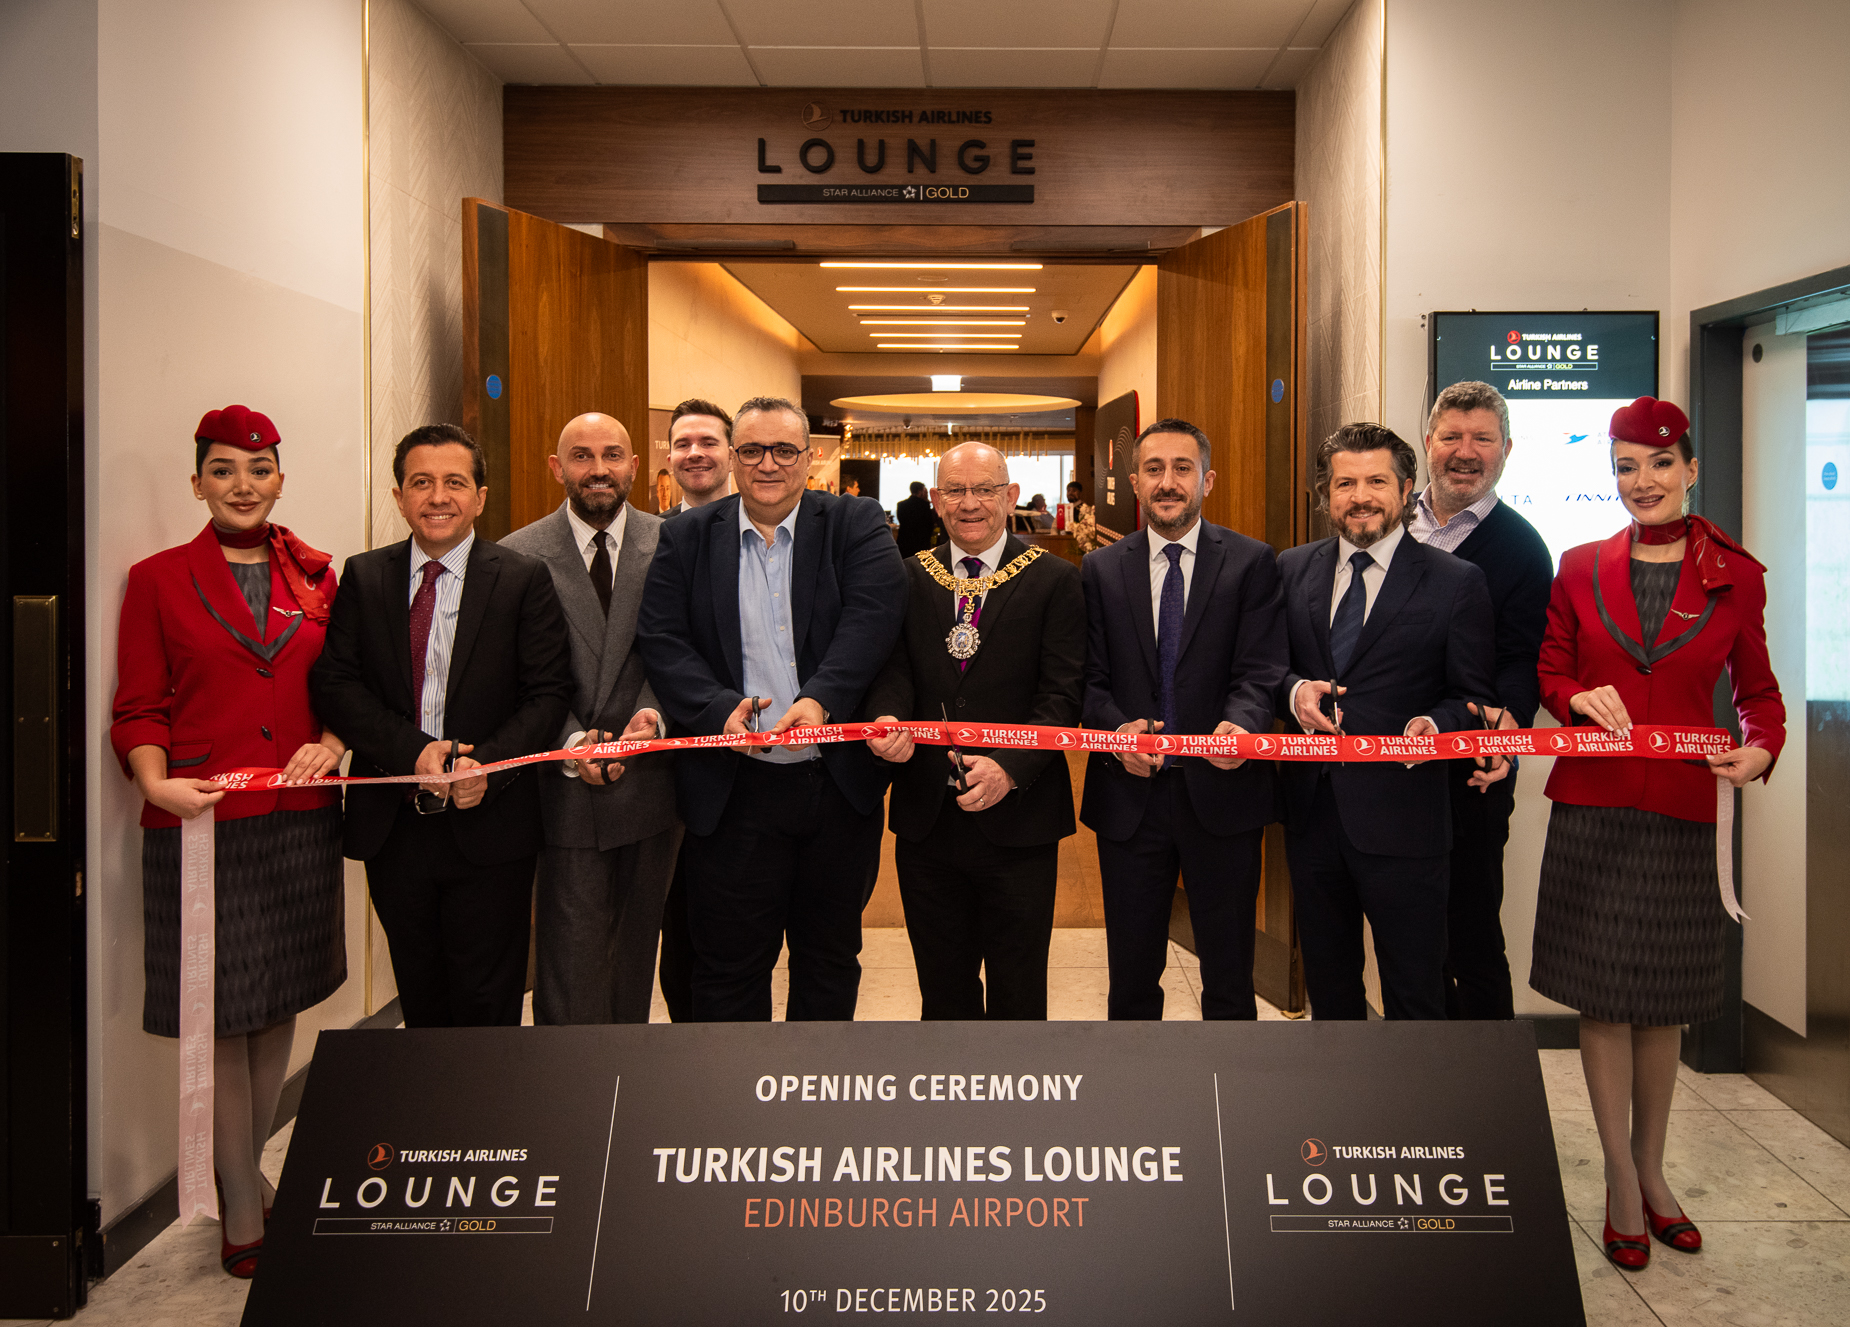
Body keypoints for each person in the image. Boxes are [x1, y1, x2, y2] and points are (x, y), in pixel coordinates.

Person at [1528, 396, 1783, 1270]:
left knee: (1663, 1000)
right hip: (1594, 807)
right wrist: (1573, 697)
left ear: (1691, 469)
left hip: (1683, 810)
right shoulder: (1579, 566)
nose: (1643, 481)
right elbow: (1551, 668)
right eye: (1626, 467)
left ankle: (1652, 1166)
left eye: (1660, 464)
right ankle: (1618, 1178)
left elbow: (1760, 693)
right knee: (1603, 996)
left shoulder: (1736, 576)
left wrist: (1761, 749)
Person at [111, 404, 347, 1277]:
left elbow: (344, 686)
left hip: (299, 818)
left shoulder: (318, 576)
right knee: (219, 1016)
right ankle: (242, 1203)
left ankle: (244, 1168)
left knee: (278, 1000)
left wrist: (334, 740)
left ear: (280, 478)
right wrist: (153, 781)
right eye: (222, 469)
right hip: (202, 822)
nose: (241, 485)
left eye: (257, 469)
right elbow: (139, 705)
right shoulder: (158, 579)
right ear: (196, 482)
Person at [637, 396, 906, 1021]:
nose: (768, 464)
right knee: (728, 969)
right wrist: (717, 708)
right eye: (753, 450)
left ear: (809, 459)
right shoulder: (685, 537)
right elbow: (662, 638)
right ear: (733, 458)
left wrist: (821, 699)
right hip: (733, 791)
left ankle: (813, 1086)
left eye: (785, 450)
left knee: (829, 960)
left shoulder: (854, 523)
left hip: (835, 787)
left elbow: (875, 616)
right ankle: (736, 1089)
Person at [310, 424, 573, 1029]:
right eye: (420, 483)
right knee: (421, 997)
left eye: (454, 482)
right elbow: (337, 684)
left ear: (480, 498)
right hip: (394, 827)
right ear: (399, 497)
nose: (437, 497)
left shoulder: (522, 578)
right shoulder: (365, 577)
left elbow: (547, 694)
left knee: (488, 1004)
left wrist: (487, 767)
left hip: (491, 826)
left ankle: (488, 1098)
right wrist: (416, 752)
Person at [1276, 423, 1498, 1021]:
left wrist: (1435, 723)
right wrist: (1293, 691)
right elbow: (1266, 669)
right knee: (1330, 990)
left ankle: (1415, 1089)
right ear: (1326, 495)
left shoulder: (1456, 582)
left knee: (1415, 993)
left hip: (1407, 821)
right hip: (1313, 817)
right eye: (1345, 483)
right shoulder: (1290, 569)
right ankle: (1342, 1085)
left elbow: (1474, 697)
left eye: (1376, 481)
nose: (1360, 497)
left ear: (1405, 490)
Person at [864, 442, 1084, 1019]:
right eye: (956, 491)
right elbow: (892, 672)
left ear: (1010, 496)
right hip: (927, 819)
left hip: (1021, 819)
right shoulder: (909, 577)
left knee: (1019, 992)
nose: (969, 503)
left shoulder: (1056, 580)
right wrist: (889, 718)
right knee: (943, 992)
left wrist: (1009, 768)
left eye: (984, 489)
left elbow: (1062, 695)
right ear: (936, 501)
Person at [1079, 419, 1288, 1019]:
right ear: (1134, 482)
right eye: (1154, 469)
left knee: (1229, 974)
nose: (1167, 482)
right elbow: (1087, 680)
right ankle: (1139, 1077)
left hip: (1223, 792)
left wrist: (1241, 724)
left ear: (1207, 480)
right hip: (1129, 796)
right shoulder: (1100, 569)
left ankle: (1229, 1078)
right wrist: (1116, 731)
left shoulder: (1251, 562)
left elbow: (1262, 669)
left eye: (1182, 468)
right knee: (1131, 976)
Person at [500, 413, 679, 1024]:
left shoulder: (673, 543)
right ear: (557, 468)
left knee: (634, 961)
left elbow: (689, 648)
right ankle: (570, 1084)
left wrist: (653, 715)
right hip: (562, 787)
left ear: (635, 465)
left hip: (651, 782)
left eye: (612, 455)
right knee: (568, 969)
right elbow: (514, 675)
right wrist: (571, 738)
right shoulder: (517, 554)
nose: (598, 469)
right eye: (581, 456)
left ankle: (626, 1080)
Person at [1410, 381, 1554, 1019]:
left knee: (1470, 934)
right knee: (1409, 941)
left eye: (1482, 439)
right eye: (1451, 437)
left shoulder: (1522, 548)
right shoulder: (1386, 524)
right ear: (1428, 442)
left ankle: (1483, 1075)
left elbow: (1524, 656)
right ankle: (1417, 1066)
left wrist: (1509, 728)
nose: (1465, 452)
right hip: (1388, 766)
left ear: (1507, 450)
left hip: (1471, 770)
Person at [656, 397, 737, 1021]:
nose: (695, 453)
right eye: (683, 443)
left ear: (731, 453)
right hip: (678, 771)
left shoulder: (771, 531)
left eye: (708, 441)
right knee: (681, 932)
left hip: (768, 768)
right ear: (666, 456)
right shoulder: (648, 538)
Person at [664, 398, 733, 516]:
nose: (694, 453)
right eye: (683, 445)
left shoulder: (760, 523)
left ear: (732, 458)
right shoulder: (657, 527)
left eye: (708, 444)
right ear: (670, 462)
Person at [895, 479, 939, 557]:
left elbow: (901, 521)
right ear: (920, 492)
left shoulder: (901, 505)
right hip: (921, 543)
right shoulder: (924, 505)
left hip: (904, 542)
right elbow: (929, 526)